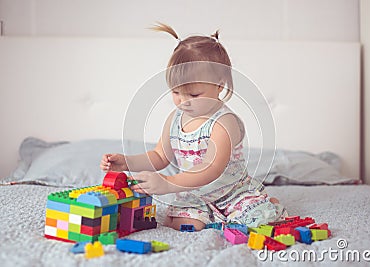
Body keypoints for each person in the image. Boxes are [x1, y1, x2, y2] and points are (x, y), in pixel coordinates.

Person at [100, 23, 287, 231]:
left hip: (232, 192)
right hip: (194, 193)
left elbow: (212, 168)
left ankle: (266, 206)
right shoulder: (175, 118)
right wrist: (127, 162)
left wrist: (168, 183)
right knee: (183, 224)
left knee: (259, 219)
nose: (183, 102)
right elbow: (160, 156)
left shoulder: (224, 122)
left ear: (219, 85)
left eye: (194, 94)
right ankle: (213, 219)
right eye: (176, 92)